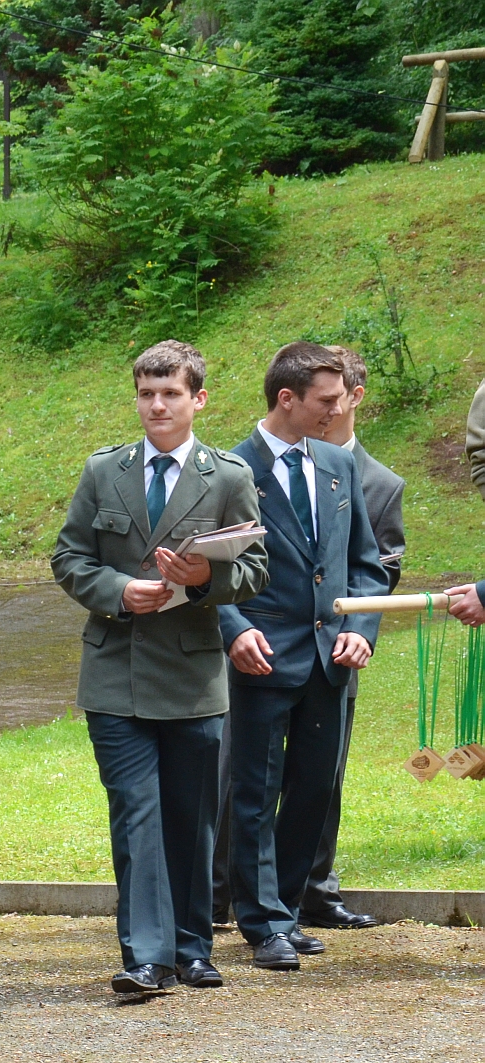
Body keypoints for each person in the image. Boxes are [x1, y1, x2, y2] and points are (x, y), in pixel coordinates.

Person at [51, 342, 267, 994]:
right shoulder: (104, 471)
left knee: (191, 820)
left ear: (198, 399)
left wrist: (203, 580)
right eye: (147, 393)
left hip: (192, 676)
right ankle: (146, 956)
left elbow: (257, 570)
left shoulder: (227, 477)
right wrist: (119, 590)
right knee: (136, 814)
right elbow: (70, 558)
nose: (157, 405)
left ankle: (193, 948)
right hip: (114, 674)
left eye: (171, 393)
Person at [216, 342, 388, 971]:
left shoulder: (339, 465)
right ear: (287, 399)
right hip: (260, 655)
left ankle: (284, 911)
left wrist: (361, 627)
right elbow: (204, 569)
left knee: (315, 789)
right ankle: (262, 923)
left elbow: (365, 566)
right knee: (256, 793)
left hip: (330, 660)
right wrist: (233, 629)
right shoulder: (228, 470)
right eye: (327, 400)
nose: (338, 409)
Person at [299, 346, 403, 931]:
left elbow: (383, 569)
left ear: (354, 398)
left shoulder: (381, 483)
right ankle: (221, 892)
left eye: (335, 398)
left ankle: (314, 889)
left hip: (338, 649)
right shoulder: (260, 465)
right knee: (242, 773)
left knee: (324, 776)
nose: (326, 409)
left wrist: (355, 631)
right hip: (265, 648)